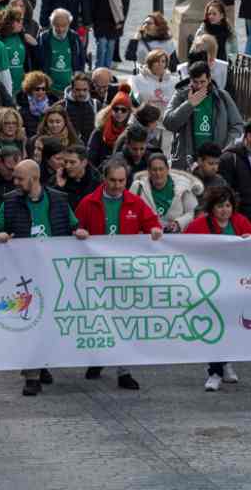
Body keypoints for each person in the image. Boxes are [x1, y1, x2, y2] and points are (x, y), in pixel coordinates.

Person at [0, 160, 87, 395]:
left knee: (49, 323)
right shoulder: (11, 201)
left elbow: (73, 225)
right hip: (24, 274)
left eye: (19, 178)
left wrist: (79, 232)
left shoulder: (58, 200)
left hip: (53, 272)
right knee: (30, 322)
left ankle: (42, 363)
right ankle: (31, 377)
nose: (15, 182)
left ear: (33, 179)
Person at [74, 157, 160, 390]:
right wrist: (78, 232)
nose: (117, 185)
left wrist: (153, 230)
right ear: (104, 179)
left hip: (125, 274)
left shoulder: (136, 202)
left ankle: (124, 370)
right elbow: (73, 228)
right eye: (112, 180)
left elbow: (153, 224)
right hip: (96, 272)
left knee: (124, 320)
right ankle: (97, 359)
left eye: (122, 181)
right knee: (99, 319)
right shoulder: (88, 202)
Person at [186, 186, 251, 390]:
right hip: (209, 285)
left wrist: (249, 242)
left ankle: (226, 363)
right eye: (220, 206)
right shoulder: (198, 225)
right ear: (211, 207)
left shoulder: (241, 222)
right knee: (214, 327)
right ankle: (214, 371)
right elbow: (183, 246)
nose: (225, 210)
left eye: (228, 205)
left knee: (229, 326)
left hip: (235, 285)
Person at [161, 61, 244, 170]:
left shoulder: (222, 96)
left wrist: (226, 149)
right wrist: (189, 104)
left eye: (202, 82)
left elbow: (237, 125)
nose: (199, 86)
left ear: (209, 79)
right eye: (195, 82)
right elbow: (168, 123)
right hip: (187, 161)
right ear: (190, 80)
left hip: (215, 160)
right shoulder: (181, 95)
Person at [130, 152, 200, 232]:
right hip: (146, 237)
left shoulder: (183, 185)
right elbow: (130, 212)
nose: (158, 173)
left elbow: (191, 213)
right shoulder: (138, 187)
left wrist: (178, 223)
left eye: (161, 169)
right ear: (149, 171)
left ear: (167, 169)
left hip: (174, 238)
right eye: (154, 169)